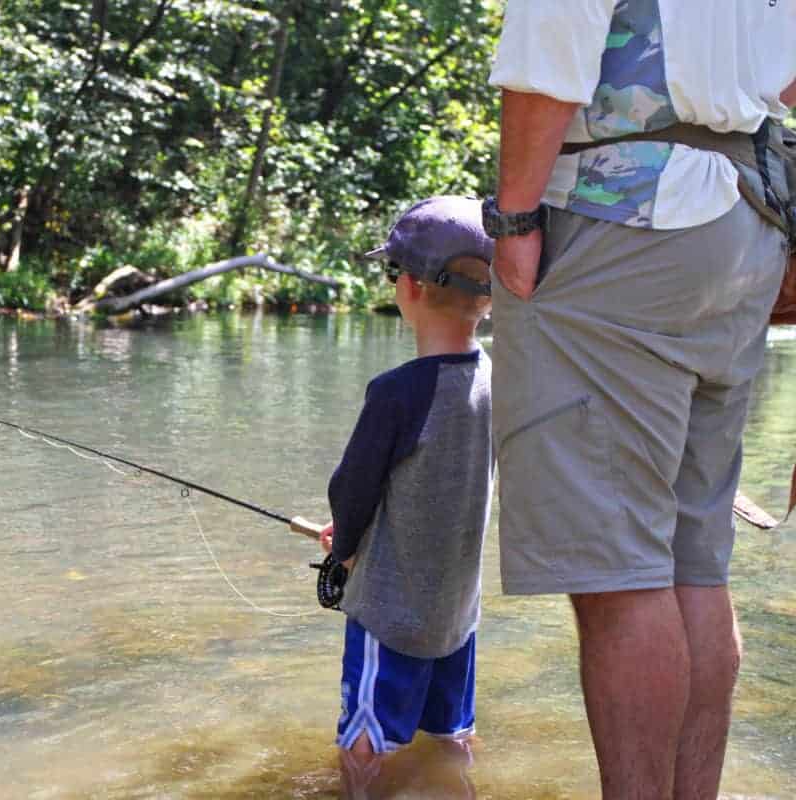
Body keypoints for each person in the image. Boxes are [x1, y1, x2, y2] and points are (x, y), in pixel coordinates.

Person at [486, 4, 796, 798]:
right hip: (746, 225)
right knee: (693, 560)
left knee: (620, 571)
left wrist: (515, 216)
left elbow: (551, 49)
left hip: (618, 218)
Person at [319, 195, 495, 796]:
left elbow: (352, 489)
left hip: (389, 616)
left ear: (413, 288)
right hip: (457, 615)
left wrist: (345, 549)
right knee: (451, 740)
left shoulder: (396, 392)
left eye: (393, 274)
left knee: (363, 742)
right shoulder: (496, 380)